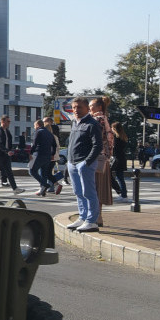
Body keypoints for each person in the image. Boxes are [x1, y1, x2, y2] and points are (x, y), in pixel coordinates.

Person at [66, 96, 103, 233]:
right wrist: (69, 163)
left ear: (87, 108)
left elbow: (97, 145)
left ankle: (91, 221)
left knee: (89, 192)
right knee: (78, 192)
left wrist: (86, 162)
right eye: (74, 107)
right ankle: (82, 217)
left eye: (79, 107)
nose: (76, 110)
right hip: (73, 163)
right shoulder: (75, 123)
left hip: (84, 163)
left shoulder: (92, 124)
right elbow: (71, 144)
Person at [29, 118, 58, 196]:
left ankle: (44, 184)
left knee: (32, 171)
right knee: (43, 173)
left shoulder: (38, 132)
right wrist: (52, 154)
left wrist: (30, 153)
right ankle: (43, 191)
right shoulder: (49, 133)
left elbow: (35, 144)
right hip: (48, 156)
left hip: (39, 155)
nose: (34, 127)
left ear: (37, 125)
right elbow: (54, 145)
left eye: (34, 126)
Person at [110, 122, 128, 200]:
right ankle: (123, 193)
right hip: (121, 159)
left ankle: (123, 194)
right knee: (120, 177)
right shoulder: (123, 137)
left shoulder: (116, 138)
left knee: (119, 177)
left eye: (112, 128)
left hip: (117, 159)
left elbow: (115, 150)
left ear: (115, 129)